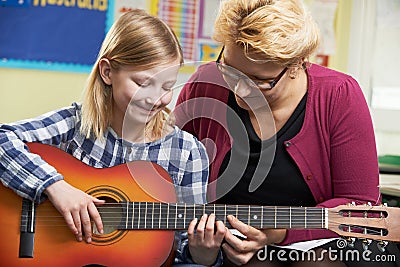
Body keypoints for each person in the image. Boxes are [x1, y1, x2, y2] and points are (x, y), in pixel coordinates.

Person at [174, 0, 400, 266]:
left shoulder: (339, 95)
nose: (239, 90)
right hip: (234, 245)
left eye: (259, 82)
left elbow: (361, 205)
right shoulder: (204, 86)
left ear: (297, 64)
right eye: (230, 72)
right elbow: (171, 173)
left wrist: (280, 233)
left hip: (327, 243)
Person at [0, 9, 211, 266]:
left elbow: (187, 253)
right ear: (108, 72)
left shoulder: (187, 152)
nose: (157, 98)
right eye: (143, 84)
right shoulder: (74, 125)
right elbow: (3, 139)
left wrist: (204, 252)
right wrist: (55, 187)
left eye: (167, 87)